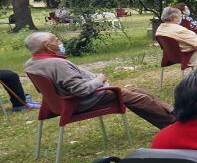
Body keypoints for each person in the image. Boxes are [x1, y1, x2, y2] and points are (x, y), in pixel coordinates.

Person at [23, 31, 174, 128]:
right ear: (47, 45)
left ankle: (174, 112)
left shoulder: (31, 64)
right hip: (83, 101)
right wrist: (100, 79)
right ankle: (173, 125)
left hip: (63, 102)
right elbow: (81, 90)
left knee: (136, 90)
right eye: (56, 40)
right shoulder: (57, 64)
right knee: (139, 98)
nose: (60, 42)